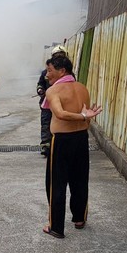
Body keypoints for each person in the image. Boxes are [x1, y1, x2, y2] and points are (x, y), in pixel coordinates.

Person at [42, 56, 102, 239]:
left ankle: (56, 227)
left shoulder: (54, 90)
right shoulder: (82, 87)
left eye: (50, 70)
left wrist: (83, 117)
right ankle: (79, 218)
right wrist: (84, 117)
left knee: (56, 184)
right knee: (80, 179)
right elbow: (84, 112)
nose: (47, 75)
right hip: (81, 139)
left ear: (62, 71)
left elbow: (60, 114)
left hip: (62, 140)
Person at [37, 45, 69, 157]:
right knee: (46, 124)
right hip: (47, 105)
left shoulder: (67, 74)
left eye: (61, 56)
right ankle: (46, 146)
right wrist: (41, 90)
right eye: (57, 56)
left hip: (62, 104)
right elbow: (40, 84)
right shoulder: (46, 72)